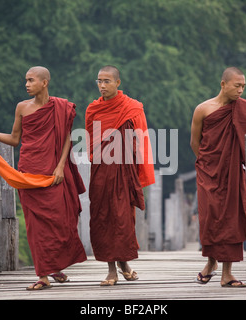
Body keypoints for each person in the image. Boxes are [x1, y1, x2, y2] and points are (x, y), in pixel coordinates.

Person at [0, 66, 87, 290]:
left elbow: (66, 139)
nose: (26, 84)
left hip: (53, 173)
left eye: (31, 80)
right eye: (25, 80)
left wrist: (61, 166)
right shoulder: (22, 108)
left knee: (62, 222)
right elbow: (15, 139)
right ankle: (43, 275)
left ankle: (55, 267)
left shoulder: (62, 107)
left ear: (44, 83)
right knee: (36, 227)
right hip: (28, 173)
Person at [190, 67, 246, 287]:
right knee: (210, 217)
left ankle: (227, 274)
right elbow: (196, 142)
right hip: (208, 173)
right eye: (236, 85)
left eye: (243, 86)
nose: (240, 90)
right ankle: (211, 263)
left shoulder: (244, 109)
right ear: (223, 84)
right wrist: (209, 163)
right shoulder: (203, 109)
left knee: (232, 218)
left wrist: (228, 162)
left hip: (232, 172)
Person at [85, 65, 155, 286]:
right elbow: (91, 142)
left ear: (118, 83)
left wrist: (140, 171)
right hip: (101, 171)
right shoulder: (93, 110)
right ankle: (111, 269)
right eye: (99, 81)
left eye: (107, 81)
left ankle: (123, 263)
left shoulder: (132, 108)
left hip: (124, 172)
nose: (102, 86)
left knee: (123, 218)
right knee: (102, 217)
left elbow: (141, 140)